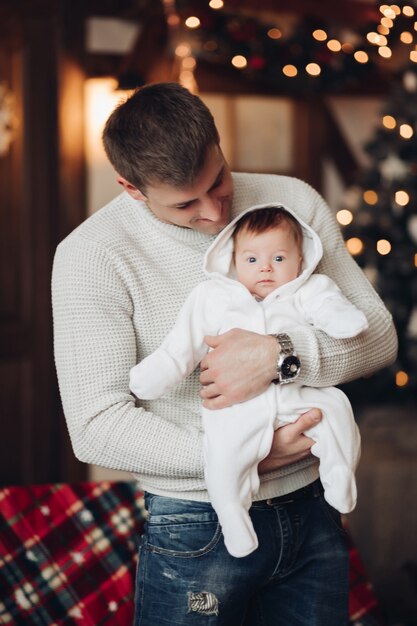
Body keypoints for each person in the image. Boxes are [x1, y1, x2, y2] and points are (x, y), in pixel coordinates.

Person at [52, 82, 397, 625]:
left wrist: (280, 354)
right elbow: (96, 425)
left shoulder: (294, 203)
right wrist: (250, 454)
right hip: (195, 524)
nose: (215, 212)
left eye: (219, 180)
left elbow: (377, 335)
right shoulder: (89, 256)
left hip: (313, 509)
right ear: (131, 188)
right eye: (186, 203)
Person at [129, 204, 366, 559]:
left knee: (336, 410)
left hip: (295, 393)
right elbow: (181, 346)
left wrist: (343, 319)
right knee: (223, 452)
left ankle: (340, 475)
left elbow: (334, 311)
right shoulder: (214, 297)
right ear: (234, 261)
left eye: (280, 258)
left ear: (300, 261)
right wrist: (155, 375)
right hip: (237, 405)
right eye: (252, 260)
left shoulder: (309, 289)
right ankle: (232, 514)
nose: (266, 268)